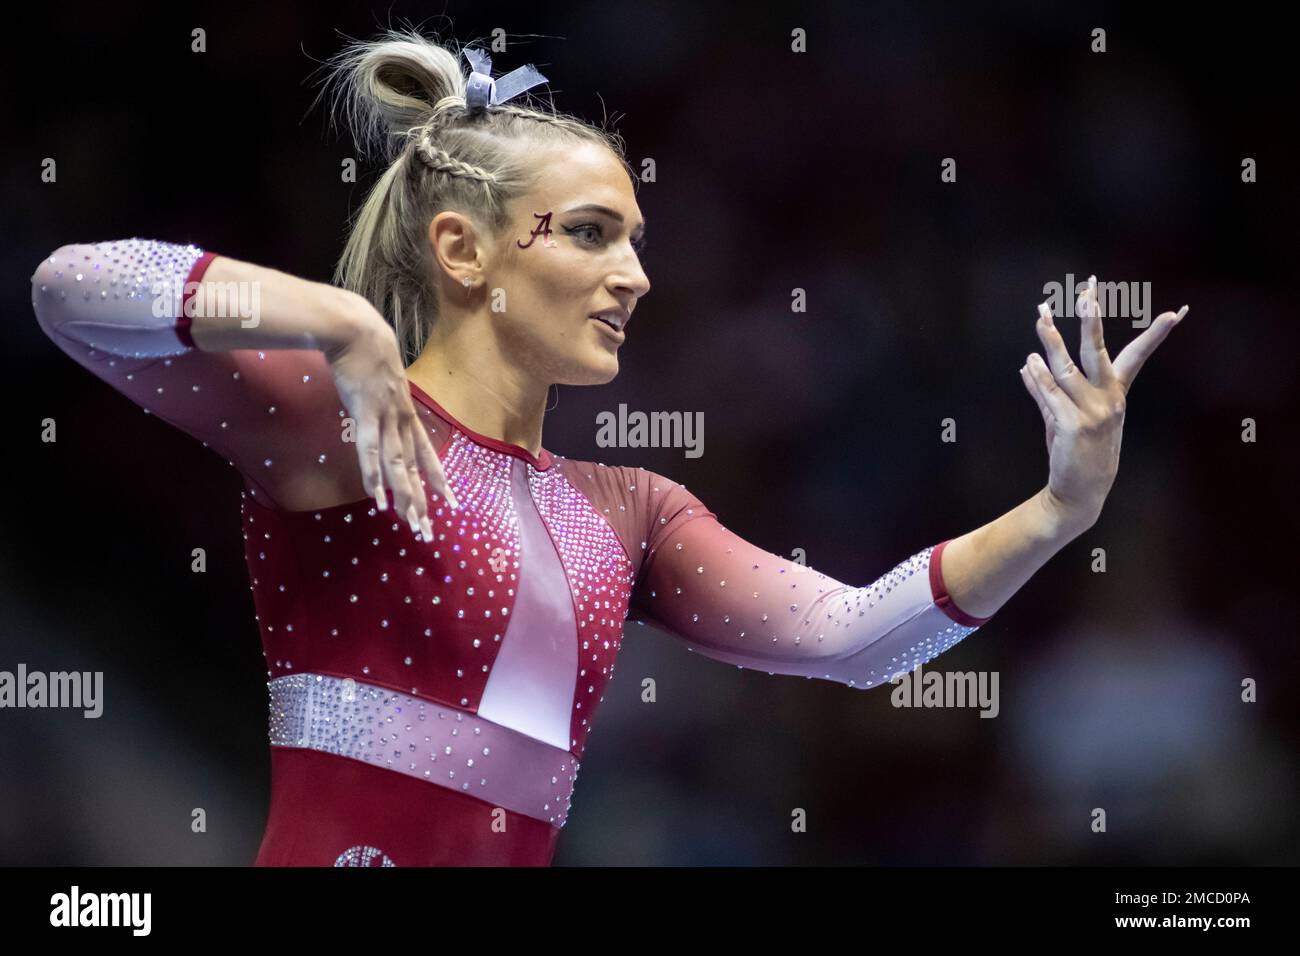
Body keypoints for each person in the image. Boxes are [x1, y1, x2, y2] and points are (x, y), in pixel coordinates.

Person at [28, 30, 1187, 866]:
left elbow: (851, 640)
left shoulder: (627, 509)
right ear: (462, 250)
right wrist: (334, 317)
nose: (633, 275)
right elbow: (68, 289)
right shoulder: (348, 421)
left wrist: (1058, 510)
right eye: (590, 235)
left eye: (634, 239)